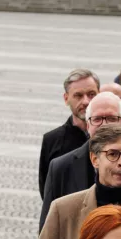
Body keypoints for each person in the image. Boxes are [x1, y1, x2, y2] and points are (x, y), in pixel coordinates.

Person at [40, 93, 121, 233]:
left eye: (112, 118)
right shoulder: (60, 168)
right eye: (97, 119)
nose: (105, 125)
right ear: (88, 125)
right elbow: (47, 233)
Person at [39, 69, 100, 197]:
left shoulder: (113, 138)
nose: (86, 101)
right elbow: (47, 192)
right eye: (78, 95)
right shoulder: (52, 140)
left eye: (91, 94)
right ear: (66, 98)